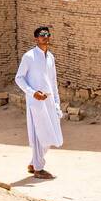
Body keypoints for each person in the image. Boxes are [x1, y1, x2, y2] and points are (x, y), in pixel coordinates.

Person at [15, 26, 63, 178]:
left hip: (49, 101)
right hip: (36, 103)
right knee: (39, 134)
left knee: (51, 134)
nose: (45, 37)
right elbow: (19, 78)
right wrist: (33, 93)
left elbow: (53, 82)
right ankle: (38, 169)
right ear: (36, 39)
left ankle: (33, 163)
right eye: (42, 35)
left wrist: (56, 103)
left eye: (47, 35)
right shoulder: (29, 57)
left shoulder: (51, 57)